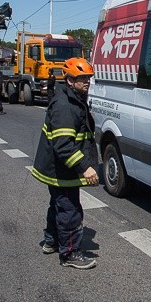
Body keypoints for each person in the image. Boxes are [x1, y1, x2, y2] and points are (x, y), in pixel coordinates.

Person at [31, 57, 99, 270]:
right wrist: (85, 167)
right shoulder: (65, 106)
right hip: (63, 169)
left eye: (88, 78)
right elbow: (63, 147)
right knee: (70, 211)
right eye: (81, 78)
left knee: (58, 205)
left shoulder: (72, 98)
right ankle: (69, 253)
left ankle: (51, 240)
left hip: (57, 169)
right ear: (70, 80)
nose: (86, 82)